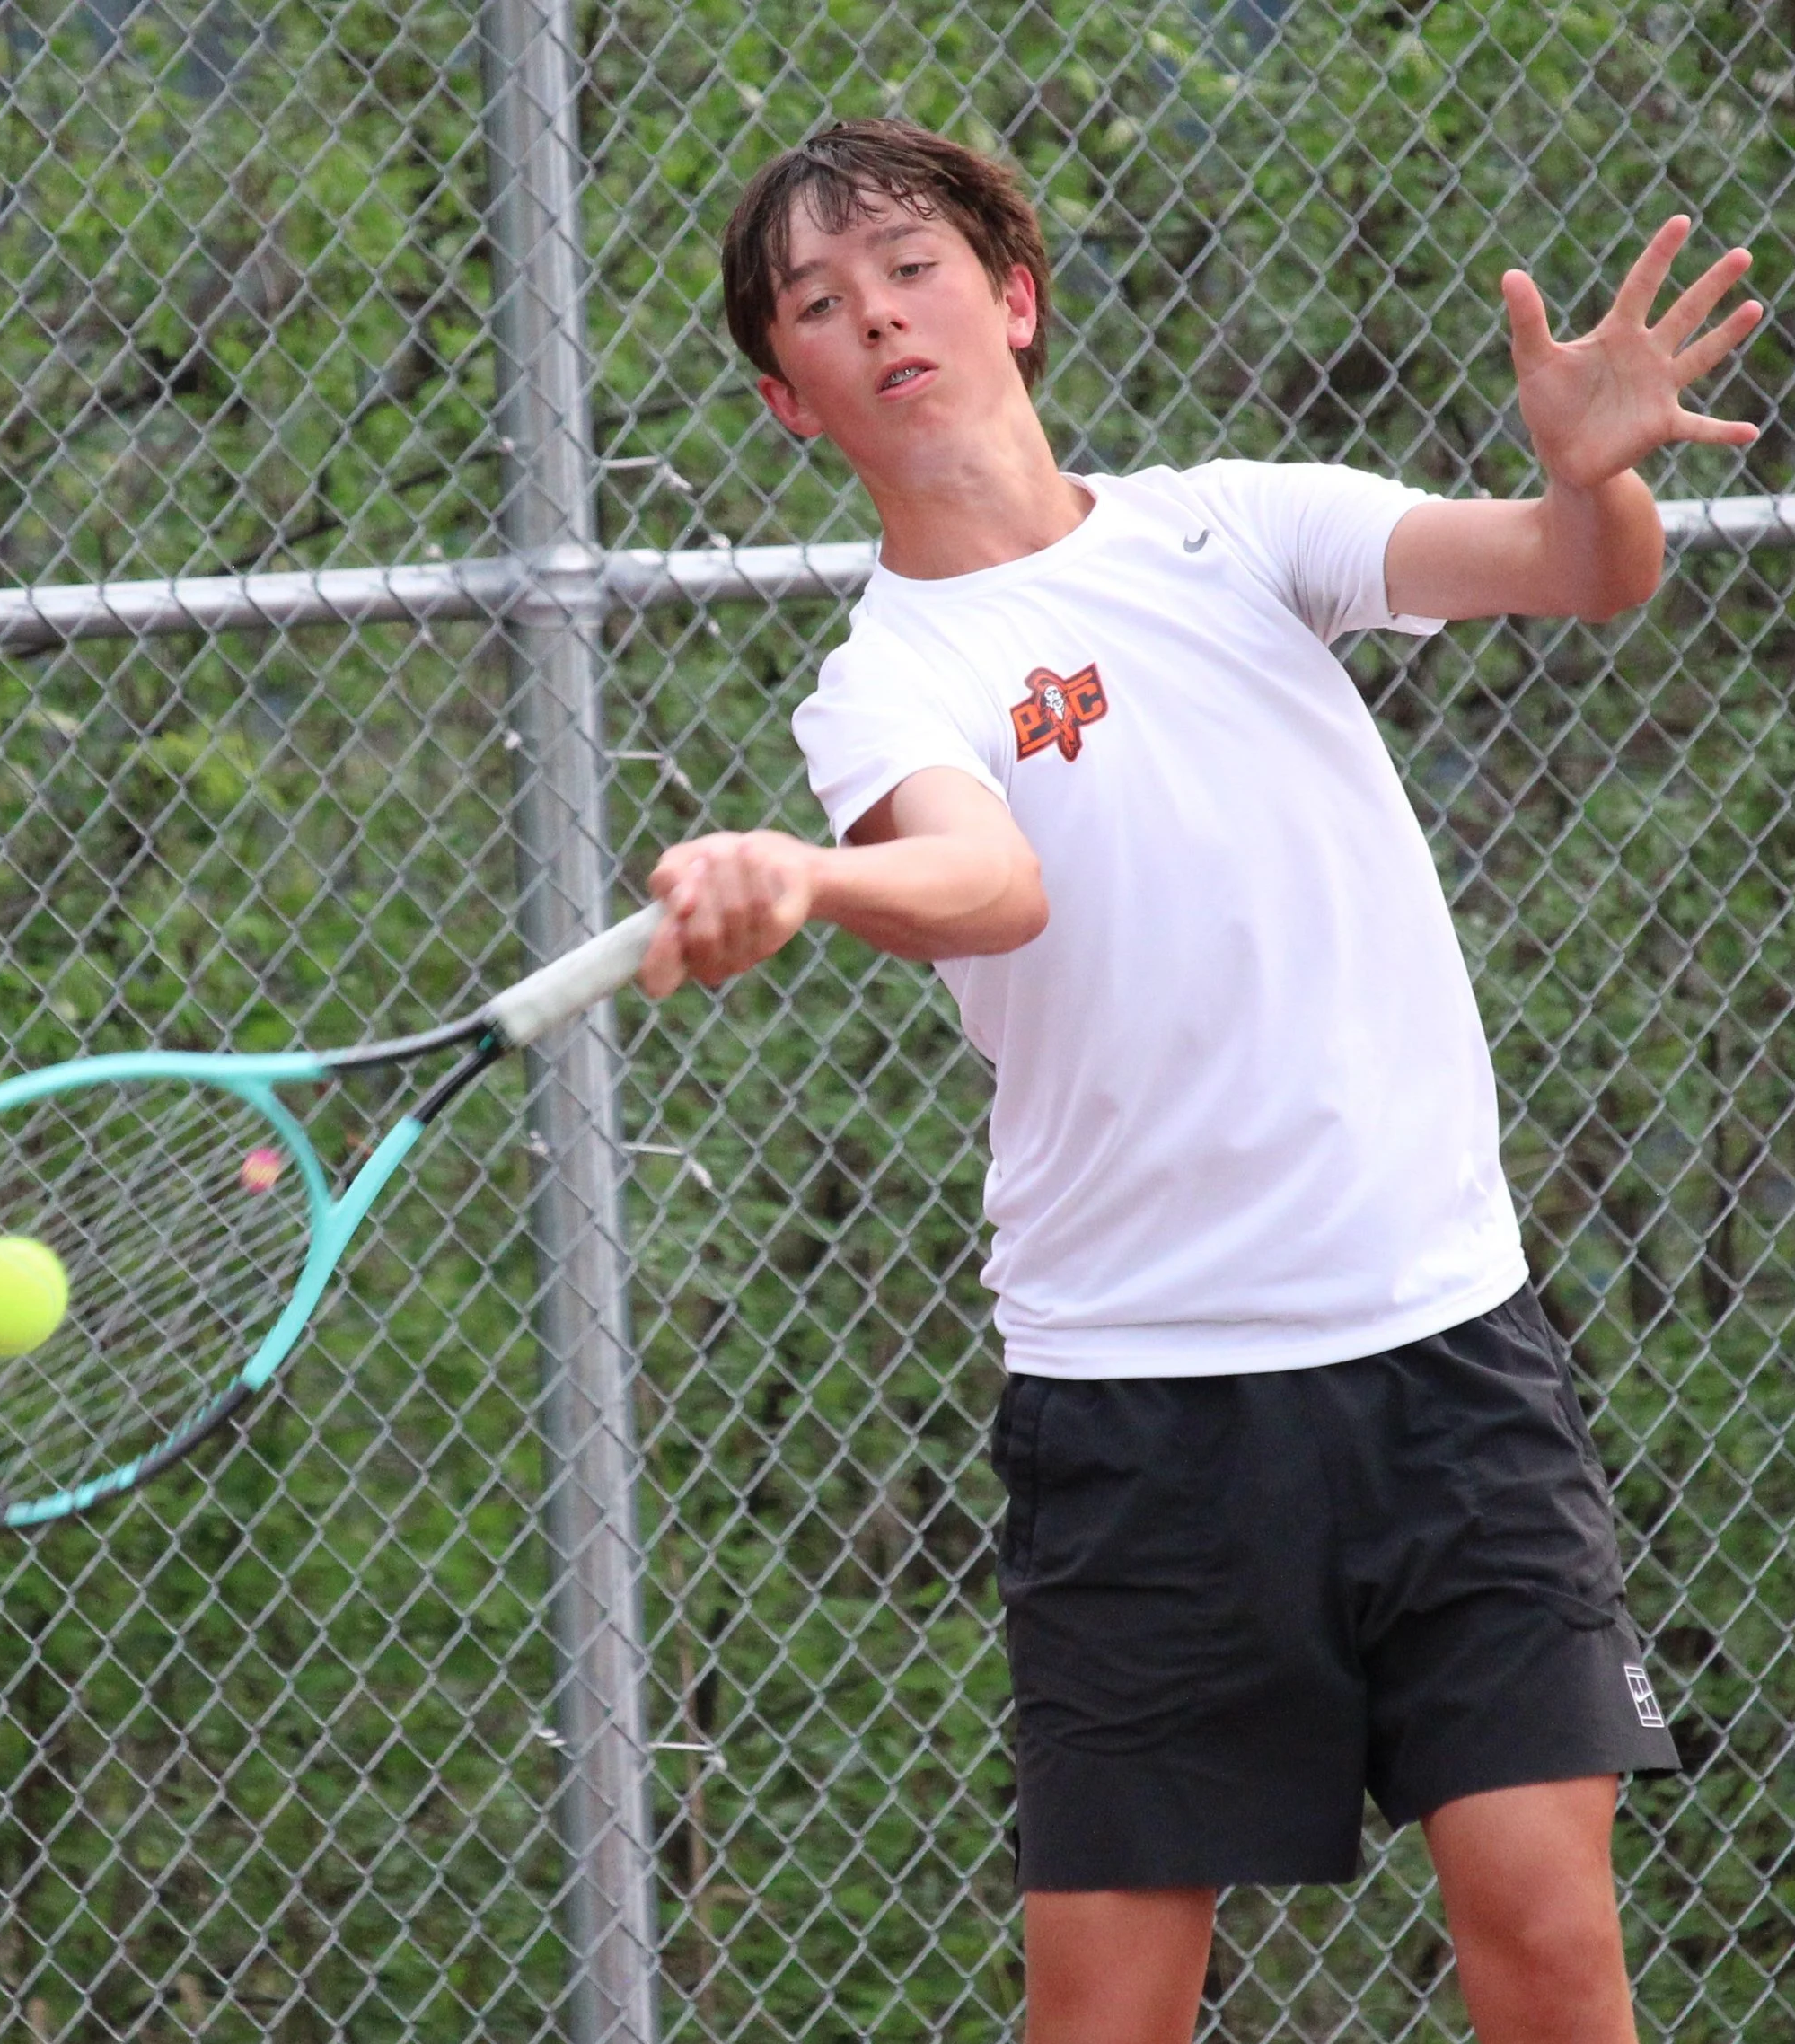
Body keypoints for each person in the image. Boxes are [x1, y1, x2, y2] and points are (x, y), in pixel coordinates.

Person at [635, 118, 1765, 2044]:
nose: (875, 315)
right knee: (1105, 2019)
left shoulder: (1235, 524)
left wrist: (1593, 477)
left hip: (1443, 1355)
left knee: (1552, 1947)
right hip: (1140, 1408)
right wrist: (815, 874)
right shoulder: (887, 677)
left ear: (1010, 297)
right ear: (789, 400)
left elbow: (1579, 574)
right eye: (817, 305)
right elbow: (985, 879)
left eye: (907, 266)